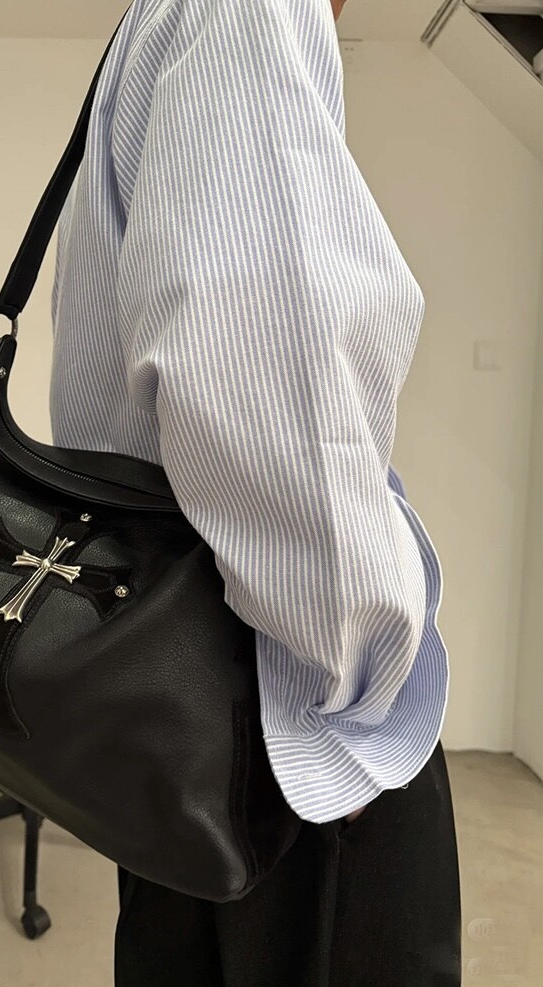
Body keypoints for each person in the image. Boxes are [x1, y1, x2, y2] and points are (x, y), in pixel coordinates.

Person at [50, 0, 462, 982]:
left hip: (178, 682)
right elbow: (269, 389)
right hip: (277, 708)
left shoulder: (167, 19)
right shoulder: (243, 10)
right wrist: (351, 700)